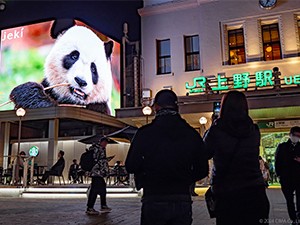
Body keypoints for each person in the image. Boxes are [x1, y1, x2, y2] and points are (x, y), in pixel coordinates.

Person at [125, 89, 208, 225]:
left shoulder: (145, 133)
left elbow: (131, 165)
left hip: (153, 196)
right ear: (178, 107)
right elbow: (202, 169)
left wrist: (146, 176)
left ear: (156, 107)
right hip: (181, 196)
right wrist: (185, 178)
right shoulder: (191, 134)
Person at [203, 90, 269, 225]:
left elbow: (203, 153)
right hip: (255, 190)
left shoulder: (217, 130)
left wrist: (212, 126)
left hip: (227, 193)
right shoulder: (253, 130)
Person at [275, 126, 300, 224]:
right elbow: (277, 161)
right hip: (286, 178)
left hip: (298, 178)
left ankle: (298, 218)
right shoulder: (282, 147)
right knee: (289, 201)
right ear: (290, 135)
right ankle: (294, 219)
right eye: (295, 135)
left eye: (298, 136)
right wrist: (279, 175)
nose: (296, 137)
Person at [86, 137, 113, 215]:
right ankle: (90, 207)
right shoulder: (98, 149)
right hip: (96, 172)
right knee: (95, 189)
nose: (106, 145)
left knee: (102, 188)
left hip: (97, 172)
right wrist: (108, 159)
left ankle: (102, 205)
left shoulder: (95, 148)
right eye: (105, 143)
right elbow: (99, 161)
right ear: (102, 142)